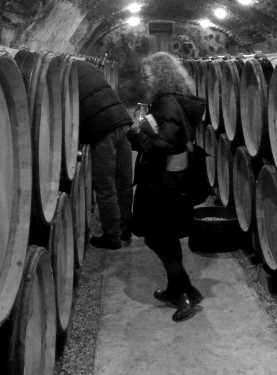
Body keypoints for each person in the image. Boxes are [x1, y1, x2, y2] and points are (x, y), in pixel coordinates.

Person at [127, 52, 206, 322]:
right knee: (163, 233)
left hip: (165, 181)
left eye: (148, 75)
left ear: (161, 76)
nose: (145, 80)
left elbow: (165, 144)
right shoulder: (173, 100)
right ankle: (177, 287)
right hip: (171, 179)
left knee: (158, 235)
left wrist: (136, 137)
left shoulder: (167, 102)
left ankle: (185, 293)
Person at [77, 60, 133, 250]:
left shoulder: (63, 74)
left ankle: (112, 237)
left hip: (102, 132)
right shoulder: (90, 67)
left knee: (105, 187)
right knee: (123, 184)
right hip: (121, 123)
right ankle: (125, 228)